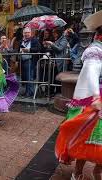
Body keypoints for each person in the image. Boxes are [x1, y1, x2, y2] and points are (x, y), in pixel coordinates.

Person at [55, 10, 102, 180]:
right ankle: (78, 171)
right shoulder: (95, 49)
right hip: (94, 99)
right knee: (87, 137)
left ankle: (97, 170)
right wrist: (96, 97)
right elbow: (91, 71)